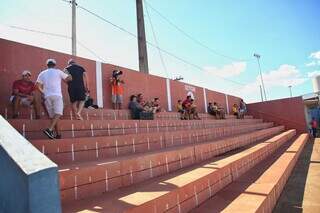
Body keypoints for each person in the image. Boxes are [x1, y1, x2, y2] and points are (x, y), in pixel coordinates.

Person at [36, 59, 72, 139]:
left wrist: (43, 92)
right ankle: (49, 129)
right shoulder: (58, 71)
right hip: (57, 95)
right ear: (55, 65)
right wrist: (67, 72)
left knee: (54, 117)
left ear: (47, 65)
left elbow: (37, 85)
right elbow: (69, 79)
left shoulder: (42, 73)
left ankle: (58, 134)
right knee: (58, 113)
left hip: (47, 96)